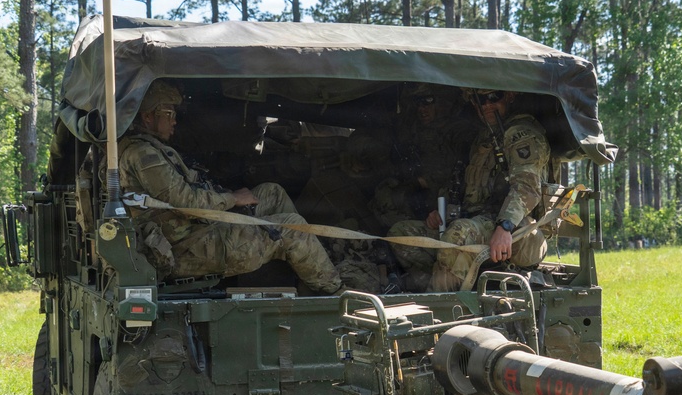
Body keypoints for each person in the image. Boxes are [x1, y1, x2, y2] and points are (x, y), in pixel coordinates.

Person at [117, 80, 344, 295]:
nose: (174, 121)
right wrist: (232, 198)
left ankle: (306, 265)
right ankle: (336, 292)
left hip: (198, 230)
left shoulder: (148, 148)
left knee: (271, 193)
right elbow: (184, 203)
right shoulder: (143, 154)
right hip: (191, 248)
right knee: (293, 228)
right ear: (147, 117)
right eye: (168, 114)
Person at [426, 88, 552, 292]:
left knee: (458, 234)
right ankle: (416, 291)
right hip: (478, 219)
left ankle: (441, 309)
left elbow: (527, 187)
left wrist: (505, 227)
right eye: (479, 100)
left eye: (494, 97)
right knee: (403, 234)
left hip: (516, 229)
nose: (486, 105)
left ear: (510, 96)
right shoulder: (485, 137)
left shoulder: (522, 134)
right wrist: (440, 213)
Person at [382, 83, 478, 291]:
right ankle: (434, 279)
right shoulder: (419, 132)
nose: (422, 109)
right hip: (442, 212)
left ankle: (442, 285)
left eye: (428, 102)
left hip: (469, 222)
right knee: (396, 231)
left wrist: (421, 182)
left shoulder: (460, 133)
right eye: (418, 103)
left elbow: (453, 173)